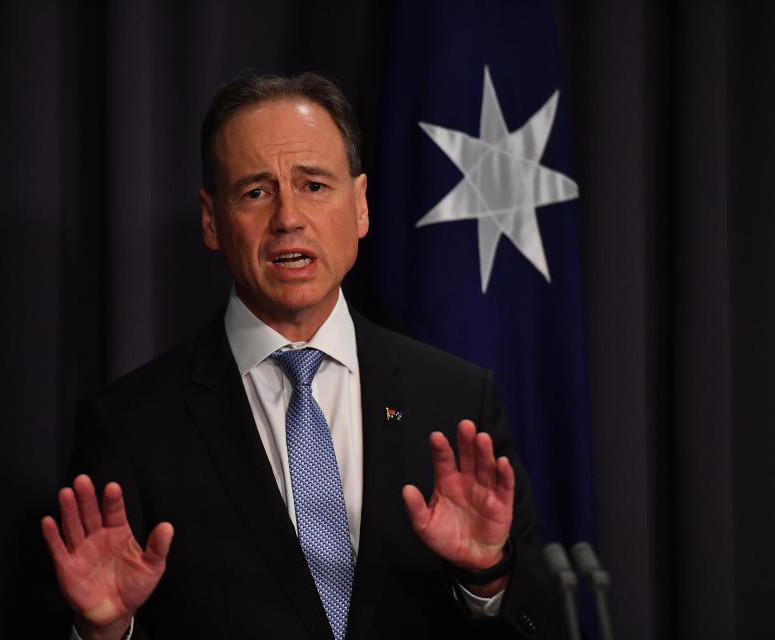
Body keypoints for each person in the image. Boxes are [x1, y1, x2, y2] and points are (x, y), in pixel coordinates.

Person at [41, 72, 562, 639]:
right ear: (211, 218)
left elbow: (542, 626)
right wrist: (103, 633)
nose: (288, 217)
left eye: (314, 185)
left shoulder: (456, 402)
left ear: (360, 206)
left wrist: (487, 577)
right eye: (256, 191)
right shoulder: (132, 425)